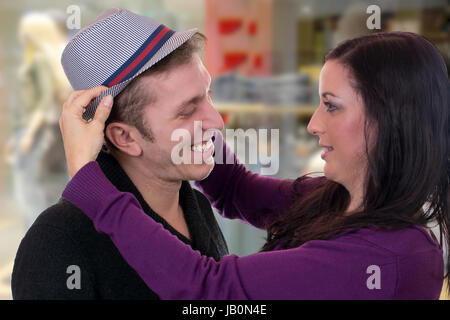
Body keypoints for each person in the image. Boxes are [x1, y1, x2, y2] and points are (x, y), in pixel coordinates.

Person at [60, 31, 449, 299]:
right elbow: (236, 189)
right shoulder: (336, 199)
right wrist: (197, 125)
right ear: (124, 138)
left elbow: (210, 292)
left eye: (331, 106)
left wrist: (85, 176)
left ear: (390, 119)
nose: (314, 124)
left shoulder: (385, 259)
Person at [12, 8, 228, 299]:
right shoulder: (59, 241)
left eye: (208, 94)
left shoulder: (198, 208)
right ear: (124, 137)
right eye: (188, 111)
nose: (216, 122)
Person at [7, 12, 71, 229]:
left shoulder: (39, 60)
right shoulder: (45, 58)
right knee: (42, 191)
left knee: (30, 194)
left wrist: (27, 135)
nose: (21, 34)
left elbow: (42, 103)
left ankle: (36, 246)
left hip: (37, 132)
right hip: (42, 133)